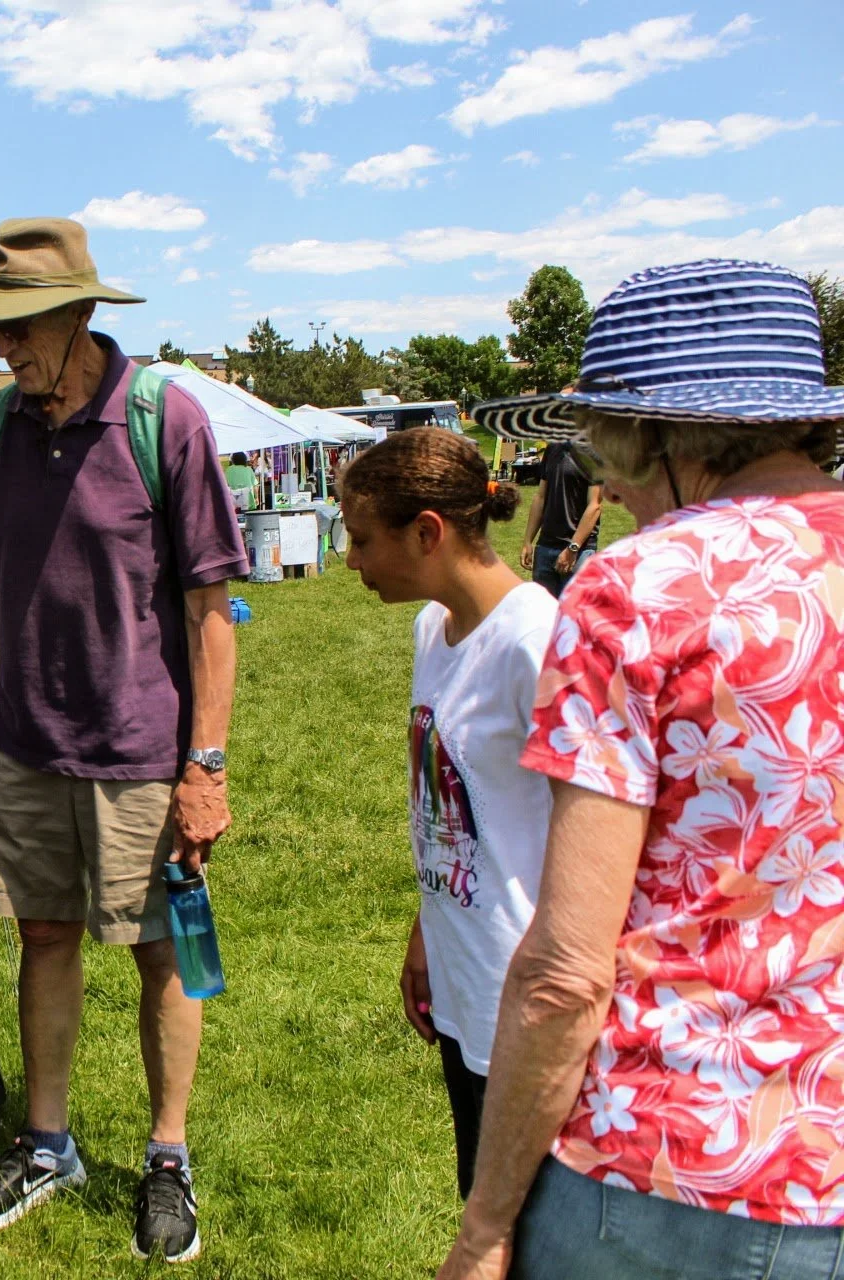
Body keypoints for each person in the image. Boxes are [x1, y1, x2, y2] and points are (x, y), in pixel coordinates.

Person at [435, 259, 844, 1279]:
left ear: (665, 438)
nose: (604, 480)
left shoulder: (639, 587)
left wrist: (486, 1224)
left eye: (611, 446)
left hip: (673, 1159)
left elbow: (567, 968)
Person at [0, 218, 247, 1262]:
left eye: (19, 328)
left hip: (145, 752)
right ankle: (49, 1140)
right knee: (45, 936)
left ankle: (168, 1158)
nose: (3, 350)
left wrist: (206, 764)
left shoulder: (167, 418)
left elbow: (213, 612)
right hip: (25, 745)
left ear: (79, 314)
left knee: (163, 951)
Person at [338, 428, 556, 1202]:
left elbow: (594, 842)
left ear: (427, 531)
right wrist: (425, 931)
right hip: (466, 982)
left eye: (362, 538)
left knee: (519, 1225)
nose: (351, 558)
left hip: (530, 1005)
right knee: (479, 1195)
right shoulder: (433, 628)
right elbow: (452, 808)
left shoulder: (535, 643)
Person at [516, 440, 602, 597]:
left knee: (572, 615)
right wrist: (528, 541)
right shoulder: (553, 448)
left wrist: (573, 548)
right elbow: (540, 497)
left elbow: (594, 506)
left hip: (579, 552)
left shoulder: (593, 453)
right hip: (545, 547)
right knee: (543, 615)